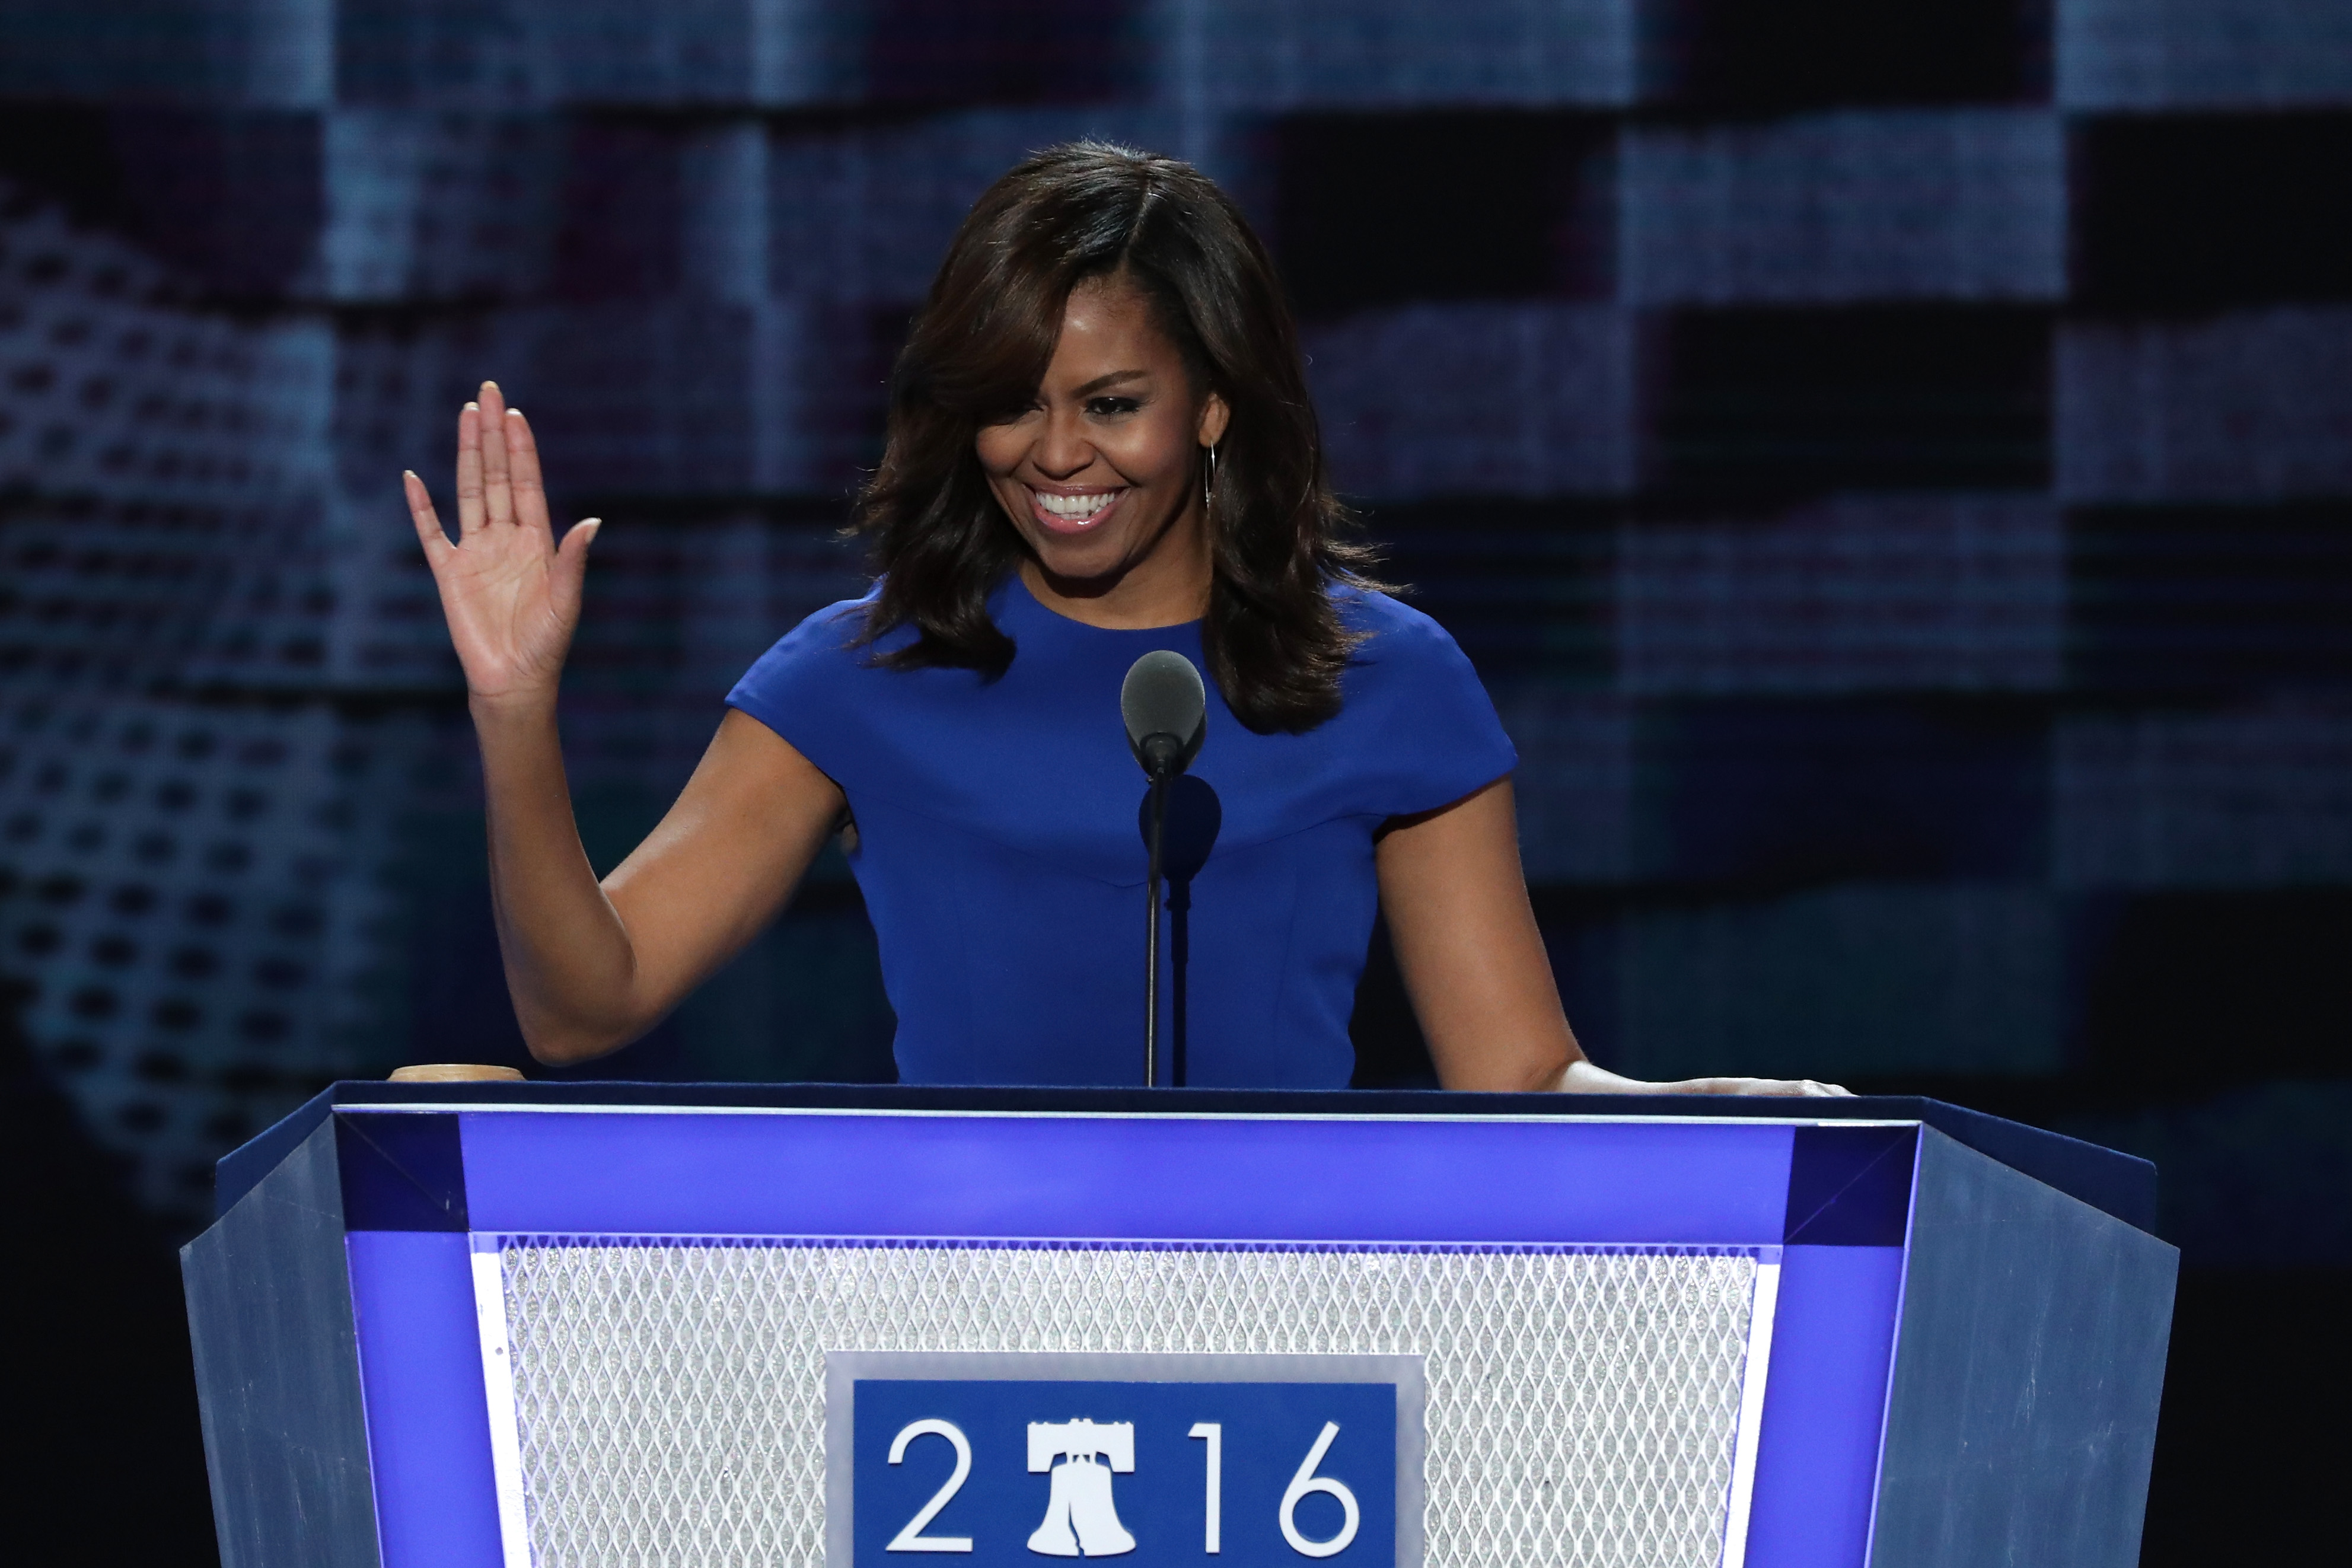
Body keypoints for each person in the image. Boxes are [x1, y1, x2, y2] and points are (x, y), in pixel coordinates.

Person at [404, 141, 1843, 1097]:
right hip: (957, 1332)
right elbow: (584, 1008)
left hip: (1284, 1340)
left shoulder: (1387, 679)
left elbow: (1520, 1079)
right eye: (1011, 403)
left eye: (1110, 403)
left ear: (1212, 405)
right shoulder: (862, 676)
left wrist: (1698, 1111)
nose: (1056, 453)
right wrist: (514, 710)